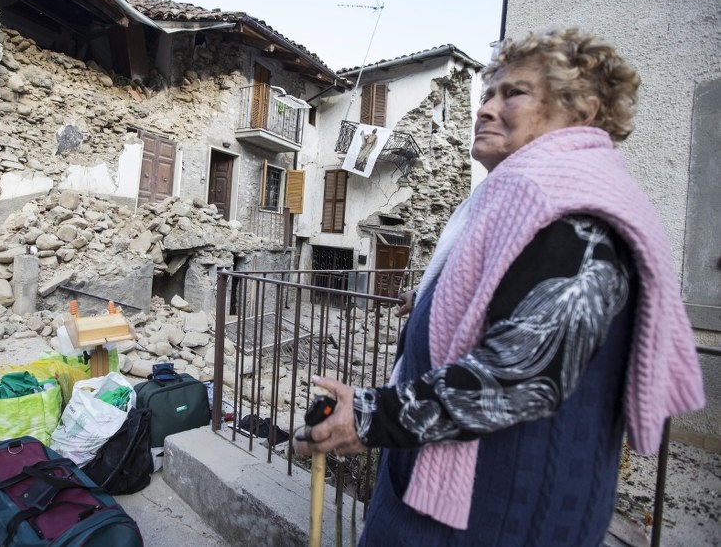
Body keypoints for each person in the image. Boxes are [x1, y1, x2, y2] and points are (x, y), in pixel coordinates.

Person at [294, 28, 705, 546]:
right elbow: (509, 295)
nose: (485, 108)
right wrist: (429, 304)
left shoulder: (573, 213)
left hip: (497, 514)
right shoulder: (525, 197)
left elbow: (523, 373)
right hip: (445, 495)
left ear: (581, 110)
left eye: (514, 93)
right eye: (488, 93)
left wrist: (370, 417)